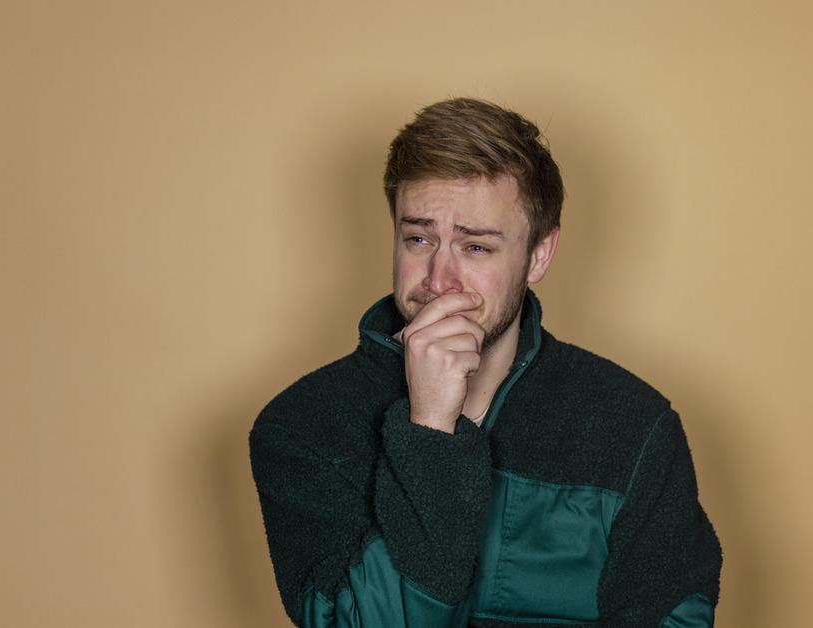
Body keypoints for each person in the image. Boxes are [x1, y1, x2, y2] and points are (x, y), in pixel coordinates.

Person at [249, 97, 722, 628]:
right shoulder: (302, 424)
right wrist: (428, 427)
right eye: (419, 238)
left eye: (475, 248)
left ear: (539, 255)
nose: (438, 279)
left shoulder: (633, 424)